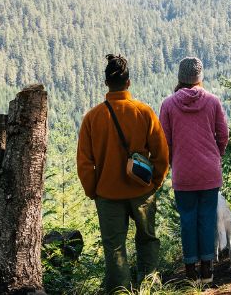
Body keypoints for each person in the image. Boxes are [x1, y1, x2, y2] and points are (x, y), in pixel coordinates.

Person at [77, 54, 170, 293]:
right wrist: (155, 183)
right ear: (128, 82)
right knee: (148, 239)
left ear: (106, 83)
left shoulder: (93, 118)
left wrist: (93, 191)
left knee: (115, 247)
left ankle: (120, 291)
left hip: (107, 195)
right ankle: (149, 287)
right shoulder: (143, 112)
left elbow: (85, 163)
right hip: (141, 191)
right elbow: (161, 154)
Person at [159, 57, 229, 285]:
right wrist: (215, 155)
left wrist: (174, 161)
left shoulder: (168, 104)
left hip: (183, 173)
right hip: (209, 171)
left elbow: (164, 141)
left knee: (188, 220)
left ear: (180, 77)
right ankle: (208, 270)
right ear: (199, 78)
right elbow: (223, 135)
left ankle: (190, 273)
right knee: (207, 218)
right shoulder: (213, 101)